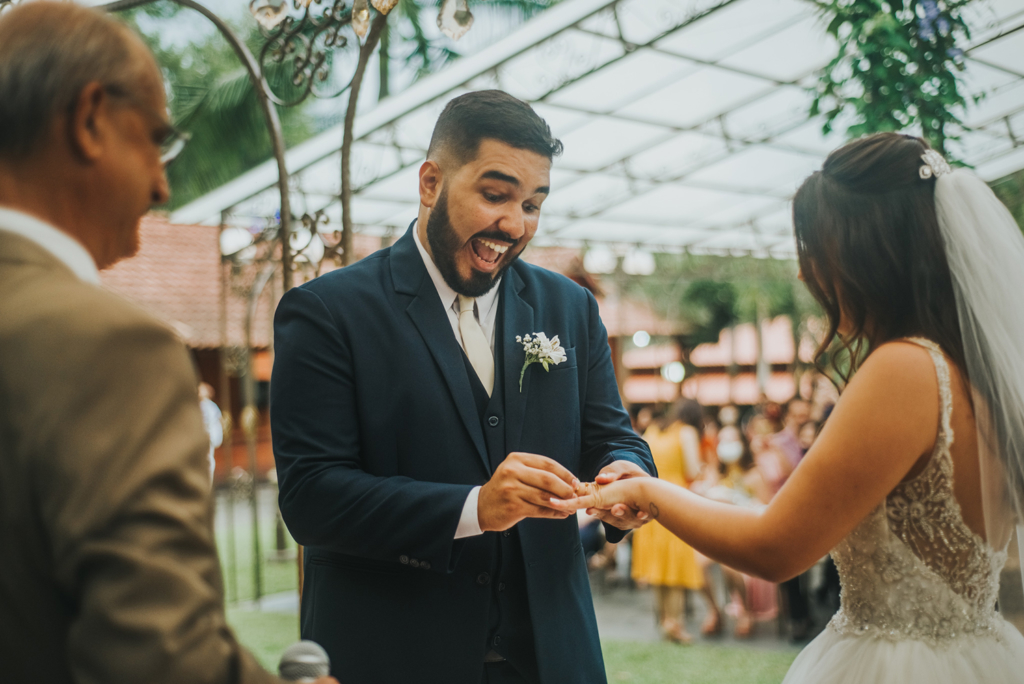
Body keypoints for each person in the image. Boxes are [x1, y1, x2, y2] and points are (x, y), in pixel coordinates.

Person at [555, 133, 1024, 683]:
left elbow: (776, 547)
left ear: (867, 252)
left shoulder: (905, 370)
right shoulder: (976, 373)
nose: (805, 273)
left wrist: (649, 492)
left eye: (816, 249)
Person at [0, 4, 340, 684]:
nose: (161, 184)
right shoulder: (106, 348)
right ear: (89, 117)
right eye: (156, 141)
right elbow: (158, 658)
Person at [270, 90, 657, 684]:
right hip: (394, 656)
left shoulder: (569, 307)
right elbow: (311, 497)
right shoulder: (327, 312)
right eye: (495, 195)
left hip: (551, 659)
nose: (515, 224)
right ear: (430, 183)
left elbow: (613, 436)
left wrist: (626, 472)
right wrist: (474, 508)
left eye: (533, 204)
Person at [630, 399, 705, 643]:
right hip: (676, 500)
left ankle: (665, 620)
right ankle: (676, 623)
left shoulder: (652, 430)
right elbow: (693, 470)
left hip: (651, 500)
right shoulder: (687, 433)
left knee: (657, 566)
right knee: (675, 565)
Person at [199, 382, 224, 481]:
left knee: (208, 457)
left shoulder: (207, 405)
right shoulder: (205, 405)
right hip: (207, 435)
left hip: (209, 435)